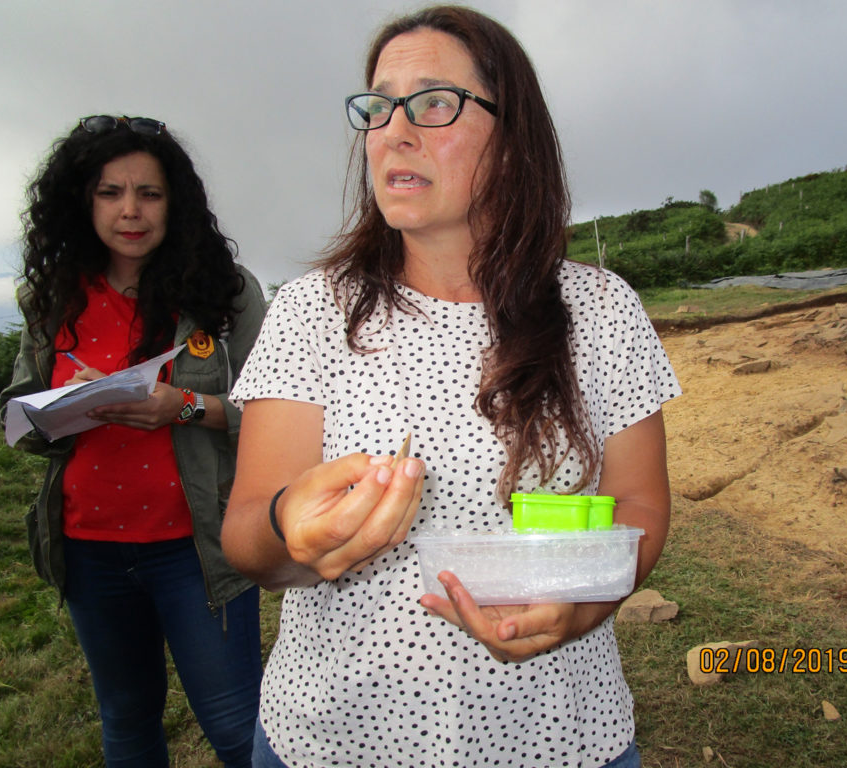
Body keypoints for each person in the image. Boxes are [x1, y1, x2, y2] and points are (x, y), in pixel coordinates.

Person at [222, 6, 681, 768]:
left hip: (559, 738)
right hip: (337, 742)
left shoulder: (600, 310)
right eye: (378, 106)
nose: (394, 130)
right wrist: (287, 528)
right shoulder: (311, 310)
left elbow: (639, 505)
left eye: (434, 103)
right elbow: (247, 536)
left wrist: (587, 606)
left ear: (513, 138)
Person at [0, 115, 267, 768]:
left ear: (174, 201)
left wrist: (185, 407)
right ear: (81, 201)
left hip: (194, 548)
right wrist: (60, 411)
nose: (130, 211)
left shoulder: (227, 296)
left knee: (237, 728)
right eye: (110, 192)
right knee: (125, 723)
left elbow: (277, 413)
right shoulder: (50, 297)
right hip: (89, 552)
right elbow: (16, 406)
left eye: (148, 193)